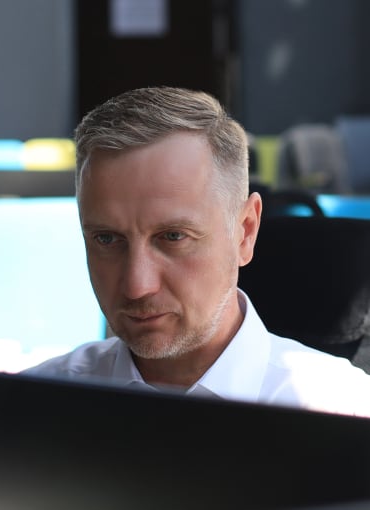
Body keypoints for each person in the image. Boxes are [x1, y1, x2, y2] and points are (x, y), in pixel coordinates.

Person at [22, 86, 370, 417]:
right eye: (107, 239)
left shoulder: (341, 407)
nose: (136, 285)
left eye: (172, 236)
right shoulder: (30, 408)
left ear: (245, 232)